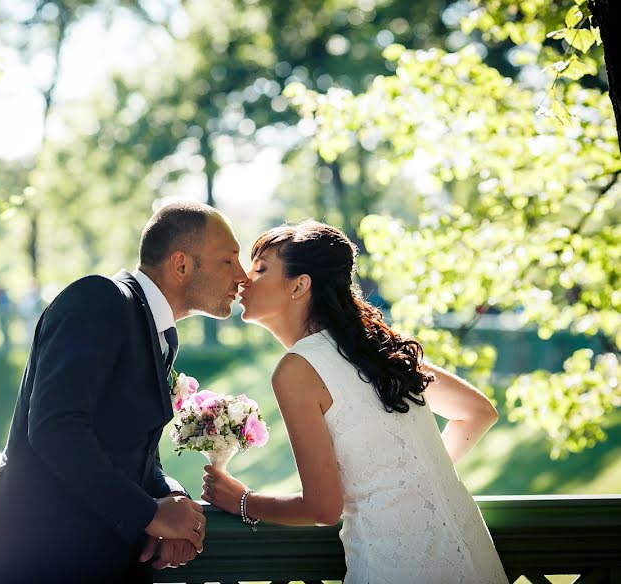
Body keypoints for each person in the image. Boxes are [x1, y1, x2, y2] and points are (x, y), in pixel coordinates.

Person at [0, 201, 248, 583]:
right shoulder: (99, 299)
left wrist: (174, 500)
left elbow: (136, 454)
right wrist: (150, 515)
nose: (243, 276)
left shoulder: (160, 336)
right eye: (228, 260)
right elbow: (57, 429)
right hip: (30, 558)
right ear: (181, 264)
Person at [201, 220, 509, 584]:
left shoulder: (297, 369)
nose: (244, 280)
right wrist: (409, 476)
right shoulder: (377, 349)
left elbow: (323, 508)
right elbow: (477, 413)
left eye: (262, 269)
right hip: (472, 552)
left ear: (300, 285)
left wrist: (242, 501)